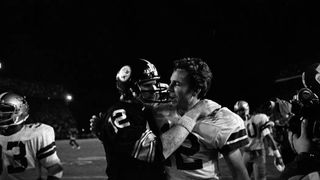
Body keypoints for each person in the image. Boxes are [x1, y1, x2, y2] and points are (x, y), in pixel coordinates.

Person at [90, 58, 218, 180]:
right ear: (132, 90)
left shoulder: (142, 108)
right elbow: (156, 152)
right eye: (148, 85)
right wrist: (193, 113)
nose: (155, 89)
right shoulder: (121, 114)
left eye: (155, 83)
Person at [157, 57, 250, 180]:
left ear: (196, 90)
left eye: (177, 84)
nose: (169, 88)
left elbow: (240, 175)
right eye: (171, 82)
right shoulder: (159, 112)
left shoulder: (218, 119)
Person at [0, 92, 63, 180]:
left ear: (20, 111)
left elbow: (54, 167)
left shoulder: (38, 133)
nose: (1, 115)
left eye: (4, 110)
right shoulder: (39, 133)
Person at [234, 100, 285, 180]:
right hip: (246, 154)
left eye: (241, 110)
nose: (239, 113)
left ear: (246, 109)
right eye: (237, 111)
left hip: (258, 154)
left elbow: (268, 137)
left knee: (260, 178)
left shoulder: (259, 118)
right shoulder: (238, 123)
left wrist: (277, 155)